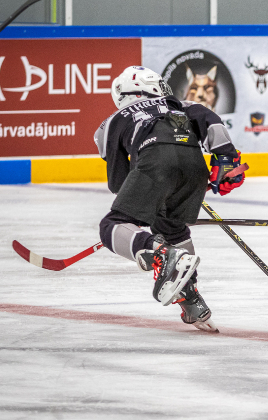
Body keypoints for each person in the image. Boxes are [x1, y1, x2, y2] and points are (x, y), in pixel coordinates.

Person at [93, 66, 245, 333]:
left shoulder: (111, 122)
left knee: (111, 226)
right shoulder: (181, 105)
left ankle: (158, 252)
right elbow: (211, 121)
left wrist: (147, 198)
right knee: (172, 227)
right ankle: (191, 301)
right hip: (195, 169)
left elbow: (118, 183)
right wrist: (225, 161)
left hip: (154, 163)